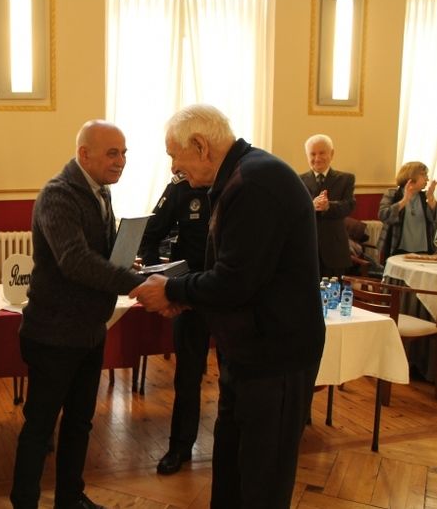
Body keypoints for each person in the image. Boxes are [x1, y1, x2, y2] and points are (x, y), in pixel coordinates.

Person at [130, 105, 325, 508]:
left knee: (261, 480)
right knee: (234, 469)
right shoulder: (243, 175)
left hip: (276, 359)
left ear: (201, 146)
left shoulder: (255, 182)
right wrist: (186, 298)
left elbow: (235, 281)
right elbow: (234, 276)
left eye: (174, 156)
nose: (173, 169)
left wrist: (174, 291)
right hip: (251, 354)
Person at [10, 120, 145, 509]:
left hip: (88, 330)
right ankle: (25, 502)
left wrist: (120, 261)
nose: (121, 161)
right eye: (112, 153)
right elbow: (74, 261)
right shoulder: (58, 195)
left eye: (124, 153)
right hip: (52, 334)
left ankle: (70, 497)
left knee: (80, 422)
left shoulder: (99, 190)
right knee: (40, 428)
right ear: (84, 154)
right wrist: (132, 282)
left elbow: (92, 255)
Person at [138, 172, 210, 476]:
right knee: (188, 375)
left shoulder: (239, 184)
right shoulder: (180, 190)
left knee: (239, 373)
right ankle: (180, 447)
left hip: (234, 295)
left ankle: (238, 444)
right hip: (190, 295)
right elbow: (149, 236)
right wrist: (165, 282)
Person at [300, 134, 356, 278]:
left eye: (322, 153)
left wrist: (328, 206)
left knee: (334, 295)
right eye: (312, 154)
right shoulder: (298, 180)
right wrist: (311, 205)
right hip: (308, 246)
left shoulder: (346, 179)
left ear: (331, 153)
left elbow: (349, 206)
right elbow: (293, 210)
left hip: (335, 248)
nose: (317, 158)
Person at [377, 161, 437, 262]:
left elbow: (434, 221)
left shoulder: (426, 196)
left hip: (424, 250)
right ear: (412, 176)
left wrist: (432, 202)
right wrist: (404, 201)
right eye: (424, 175)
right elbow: (383, 216)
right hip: (397, 248)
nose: (427, 179)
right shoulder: (392, 194)